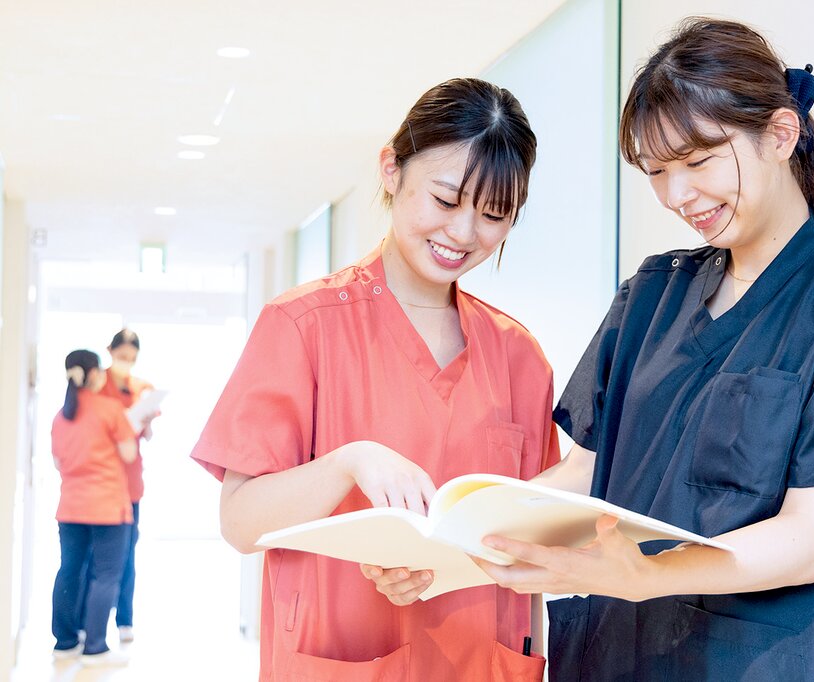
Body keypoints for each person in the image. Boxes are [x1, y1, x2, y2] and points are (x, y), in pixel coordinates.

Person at [471, 18, 814, 681]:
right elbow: (585, 472)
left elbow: (811, 540)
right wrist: (460, 533)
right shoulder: (652, 291)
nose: (677, 196)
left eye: (698, 160)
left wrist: (650, 574)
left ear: (780, 134)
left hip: (753, 662)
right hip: (616, 652)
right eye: (657, 171)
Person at [191, 77, 560, 681]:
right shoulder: (303, 326)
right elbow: (240, 523)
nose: (465, 234)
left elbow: (533, 545)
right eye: (444, 201)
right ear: (392, 169)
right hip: (342, 660)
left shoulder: (519, 356)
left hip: (483, 663)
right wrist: (348, 463)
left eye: (495, 215)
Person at [51, 349, 137, 666]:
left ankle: (65, 641)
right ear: (93, 374)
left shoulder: (61, 416)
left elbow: (58, 461)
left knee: (70, 570)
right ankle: (96, 647)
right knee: (106, 576)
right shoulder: (110, 409)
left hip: (71, 507)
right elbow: (129, 454)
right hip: (107, 508)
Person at [93, 328, 155, 644]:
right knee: (98, 558)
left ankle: (125, 620)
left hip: (129, 484)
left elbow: (147, 433)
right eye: (121, 357)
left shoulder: (142, 388)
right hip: (99, 483)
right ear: (110, 350)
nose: (126, 363)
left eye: (131, 359)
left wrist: (144, 423)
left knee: (127, 554)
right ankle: (91, 626)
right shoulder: (96, 385)